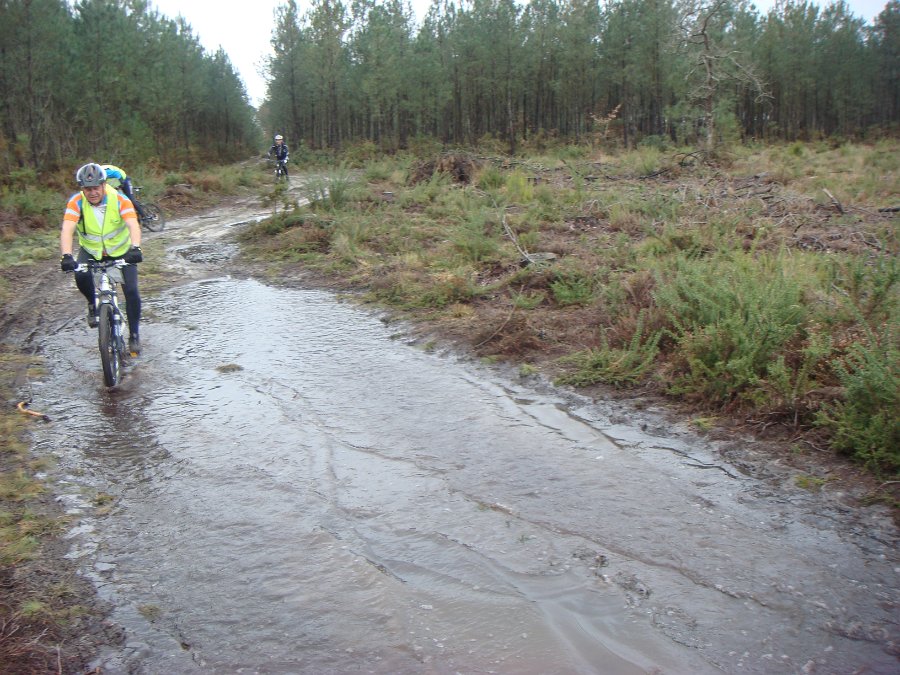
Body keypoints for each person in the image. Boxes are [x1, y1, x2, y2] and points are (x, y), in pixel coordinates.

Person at [59, 162, 144, 355]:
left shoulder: (120, 200)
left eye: (96, 187)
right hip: (91, 251)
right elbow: (67, 230)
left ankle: (134, 335)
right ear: (82, 189)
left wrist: (135, 248)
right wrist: (66, 255)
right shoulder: (76, 202)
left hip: (122, 250)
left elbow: (133, 224)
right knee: (80, 276)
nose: (92, 192)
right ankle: (92, 303)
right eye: (87, 189)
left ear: (104, 185)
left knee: (131, 292)